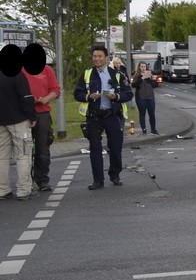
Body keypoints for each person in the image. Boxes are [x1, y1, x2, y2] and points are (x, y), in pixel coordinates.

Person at [74, 45, 133, 190]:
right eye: (95, 56)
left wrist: (116, 96)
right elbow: (77, 93)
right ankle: (98, 180)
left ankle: (115, 175)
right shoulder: (87, 74)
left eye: (100, 56)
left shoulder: (117, 75)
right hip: (94, 117)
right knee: (95, 149)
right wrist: (88, 96)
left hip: (112, 116)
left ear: (106, 58)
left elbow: (129, 94)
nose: (97, 59)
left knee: (115, 146)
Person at [0, 54, 38, 201]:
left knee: (2, 156)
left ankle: (2, 190)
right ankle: (24, 190)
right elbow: (26, 97)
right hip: (18, 120)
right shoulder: (16, 74)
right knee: (23, 154)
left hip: (1, 121)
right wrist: (32, 116)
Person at [22, 49, 61, 192]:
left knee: (43, 149)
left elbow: (55, 90)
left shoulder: (47, 70)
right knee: (24, 150)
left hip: (43, 113)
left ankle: (42, 179)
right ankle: (26, 181)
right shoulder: (21, 69)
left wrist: (45, 99)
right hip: (24, 114)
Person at [131, 61, 158, 135]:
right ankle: (144, 129)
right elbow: (134, 85)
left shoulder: (149, 75)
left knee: (152, 113)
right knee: (142, 114)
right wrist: (142, 78)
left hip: (150, 97)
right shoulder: (137, 75)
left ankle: (153, 129)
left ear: (146, 67)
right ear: (139, 68)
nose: (143, 68)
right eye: (142, 67)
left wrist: (152, 79)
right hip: (141, 98)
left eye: (144, 67)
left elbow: (155, 85)